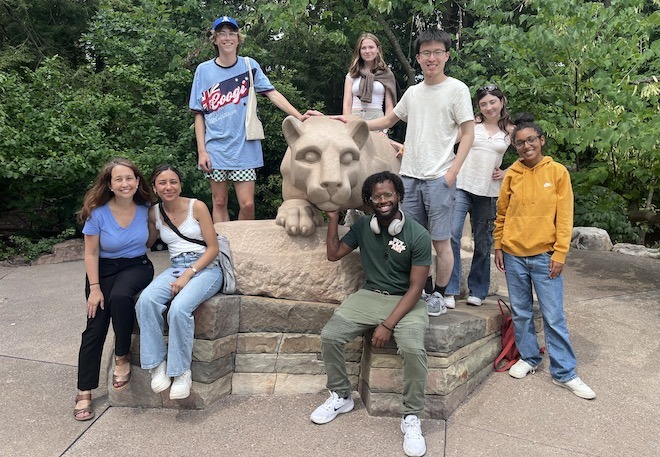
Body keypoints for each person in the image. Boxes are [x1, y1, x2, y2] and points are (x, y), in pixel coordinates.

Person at [311, 171, 432, 457]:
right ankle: (341, 396)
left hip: (407, 301)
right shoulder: (365, 226)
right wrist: (332, 221)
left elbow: (416, 288)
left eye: (388, 194)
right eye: (376, 196)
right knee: (330, 336)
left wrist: (388, 324)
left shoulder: (418, 234)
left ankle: (411, 416)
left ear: (398, 195)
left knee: (413, 349)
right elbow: (334, 253)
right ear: (369, 200)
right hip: (369, 295)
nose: (382, 200)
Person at [363, 28, 475, 317]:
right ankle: (422, 291)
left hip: (439, 177)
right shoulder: (413, 92)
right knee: (413, 240)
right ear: (418, 57)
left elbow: (468, 133)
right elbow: (388, 119)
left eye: (438, 52)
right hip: (410, 177)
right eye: (426, 53)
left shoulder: (457, 89)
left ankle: (440, 293)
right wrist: (348, 121)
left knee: (441, 241)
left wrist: (452, 172)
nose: (432, 57)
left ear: (447, 55)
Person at [493, 114, 596, 400]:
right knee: (522, 311)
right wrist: (498, 246)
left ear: (541, 141)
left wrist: (560, 252)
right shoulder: (512, 174)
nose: (526, 146)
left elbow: (565, 216)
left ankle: (565, 373)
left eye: (531, 140)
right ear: (514, 146)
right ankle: (529, 358)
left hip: (544, 255)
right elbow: (502, 213)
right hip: (513, 254)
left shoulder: (557, 172)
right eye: (520, 142)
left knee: (553, 316)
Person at [189, 15, 321, 223]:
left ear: (238, 38)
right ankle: (223, 248)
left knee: (248, 204)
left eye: (232, 33)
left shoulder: (249, 65)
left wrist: (299, 116)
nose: (227, 38)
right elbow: (199, 114)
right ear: (215, 39)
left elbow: (272, 93)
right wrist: (202, 151)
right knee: (220, 202)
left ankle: (244, 246)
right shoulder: (203, 71)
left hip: (245, 146)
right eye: (222, 33)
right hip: (215, 148)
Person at [73, 158, 155, 421]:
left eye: (129, 178)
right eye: (118, 179)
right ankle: (84, 390)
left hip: (136, 266)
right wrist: (95, 288)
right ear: (109, 183)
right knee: (95, 324)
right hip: (102, 270)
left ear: (138, 181)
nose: (124, 183)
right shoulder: (97, 212)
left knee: (120, 297)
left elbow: (153, 239)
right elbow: (91, 252)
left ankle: (122, 355)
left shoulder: (146, 208)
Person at [136, 164, 222, 400]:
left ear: (180, 184)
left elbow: (213, 248)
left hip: (206, 267)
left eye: (173, 181)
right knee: (146, 301)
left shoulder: (198, 207)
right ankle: (156, 365)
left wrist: (189, 273)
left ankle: (181, 371)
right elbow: (147, 242)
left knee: (179, 308)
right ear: (155, 187)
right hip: (176, 266)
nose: (168, 187)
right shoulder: (154, 213)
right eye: (162, 183)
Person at [444, 84, 514, 309]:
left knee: (484, 243)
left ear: (501, 102)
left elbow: (529, 153)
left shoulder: (511, 131)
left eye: (492, 102)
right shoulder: (472, 124)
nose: (488, 107)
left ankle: (478, 289)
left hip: (489, 191)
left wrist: (506, 171)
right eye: (483, 104)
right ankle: (450, 289)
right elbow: (447, 143)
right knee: (452, 235)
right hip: (462, 185)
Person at [342, 32, 397, 120]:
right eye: (363, 48)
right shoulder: (352, 74)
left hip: (377, 118)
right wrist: (348, 123)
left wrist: (384, 129)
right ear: (359, 51)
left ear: (378, 49)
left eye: (371, 47)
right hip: (354, 118)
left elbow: (389, 106)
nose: (367, 51)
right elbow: (347, 104)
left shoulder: (386, 74)